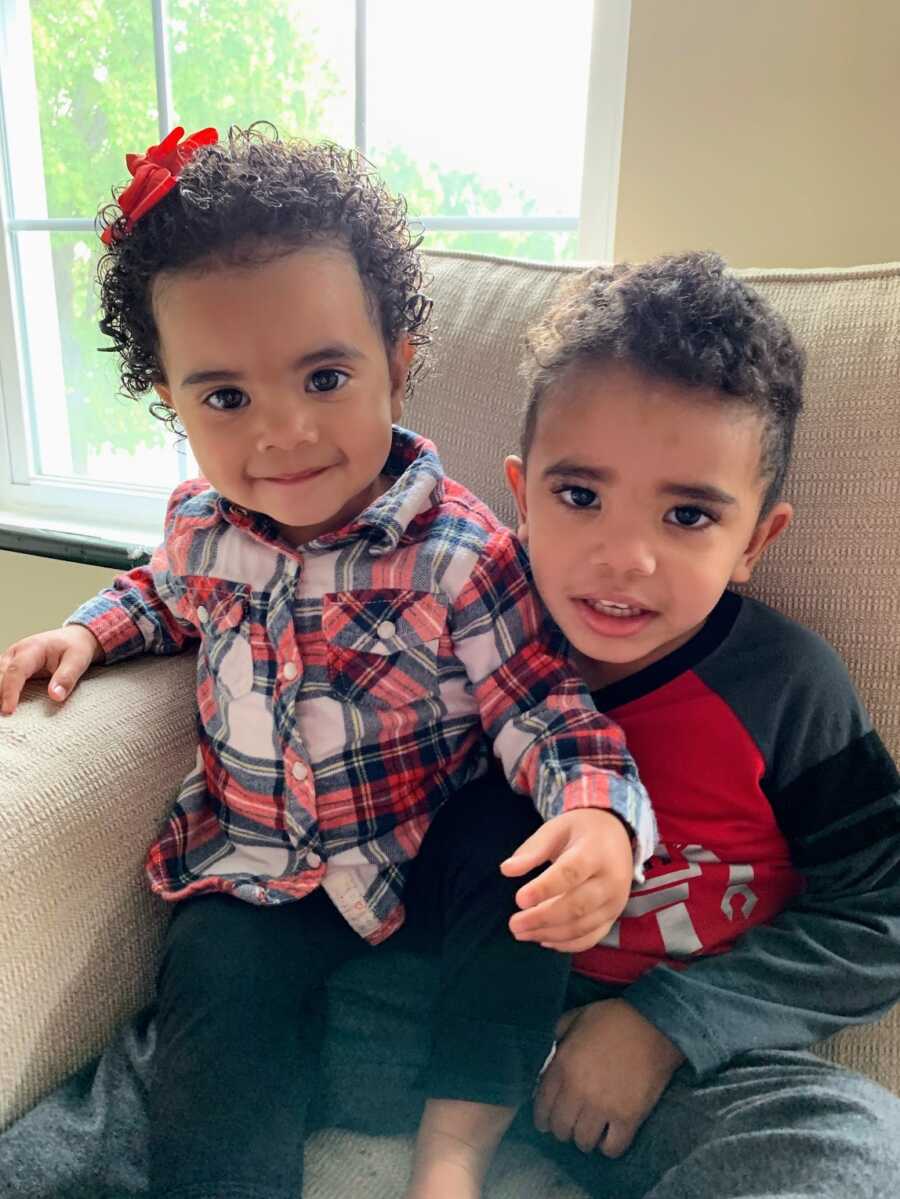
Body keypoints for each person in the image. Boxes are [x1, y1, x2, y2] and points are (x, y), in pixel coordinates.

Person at [0, 124, 657, 1199]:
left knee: (520, 855)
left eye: (323, 375)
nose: (283, 433)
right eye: (225, 398)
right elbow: (158, 592)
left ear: (398, 365)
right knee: (211, 971)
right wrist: (85, 632)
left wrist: (597, 813)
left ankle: (453, 1158)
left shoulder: (458, 552)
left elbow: (544, 706)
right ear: (172, 402)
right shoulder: (202, 530)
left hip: (427, 849)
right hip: (262, 870)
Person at [319, 249, 900, 1197]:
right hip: (449, 1010)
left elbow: (880, 910)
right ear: (520, 493)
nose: (624, 558)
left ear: (756, 540)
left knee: (859, 1152)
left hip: (686, 1060)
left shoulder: (790, 686)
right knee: (216, 1037)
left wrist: (669, 1024)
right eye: (580, 497)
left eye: (686, 515)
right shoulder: (453, 628)